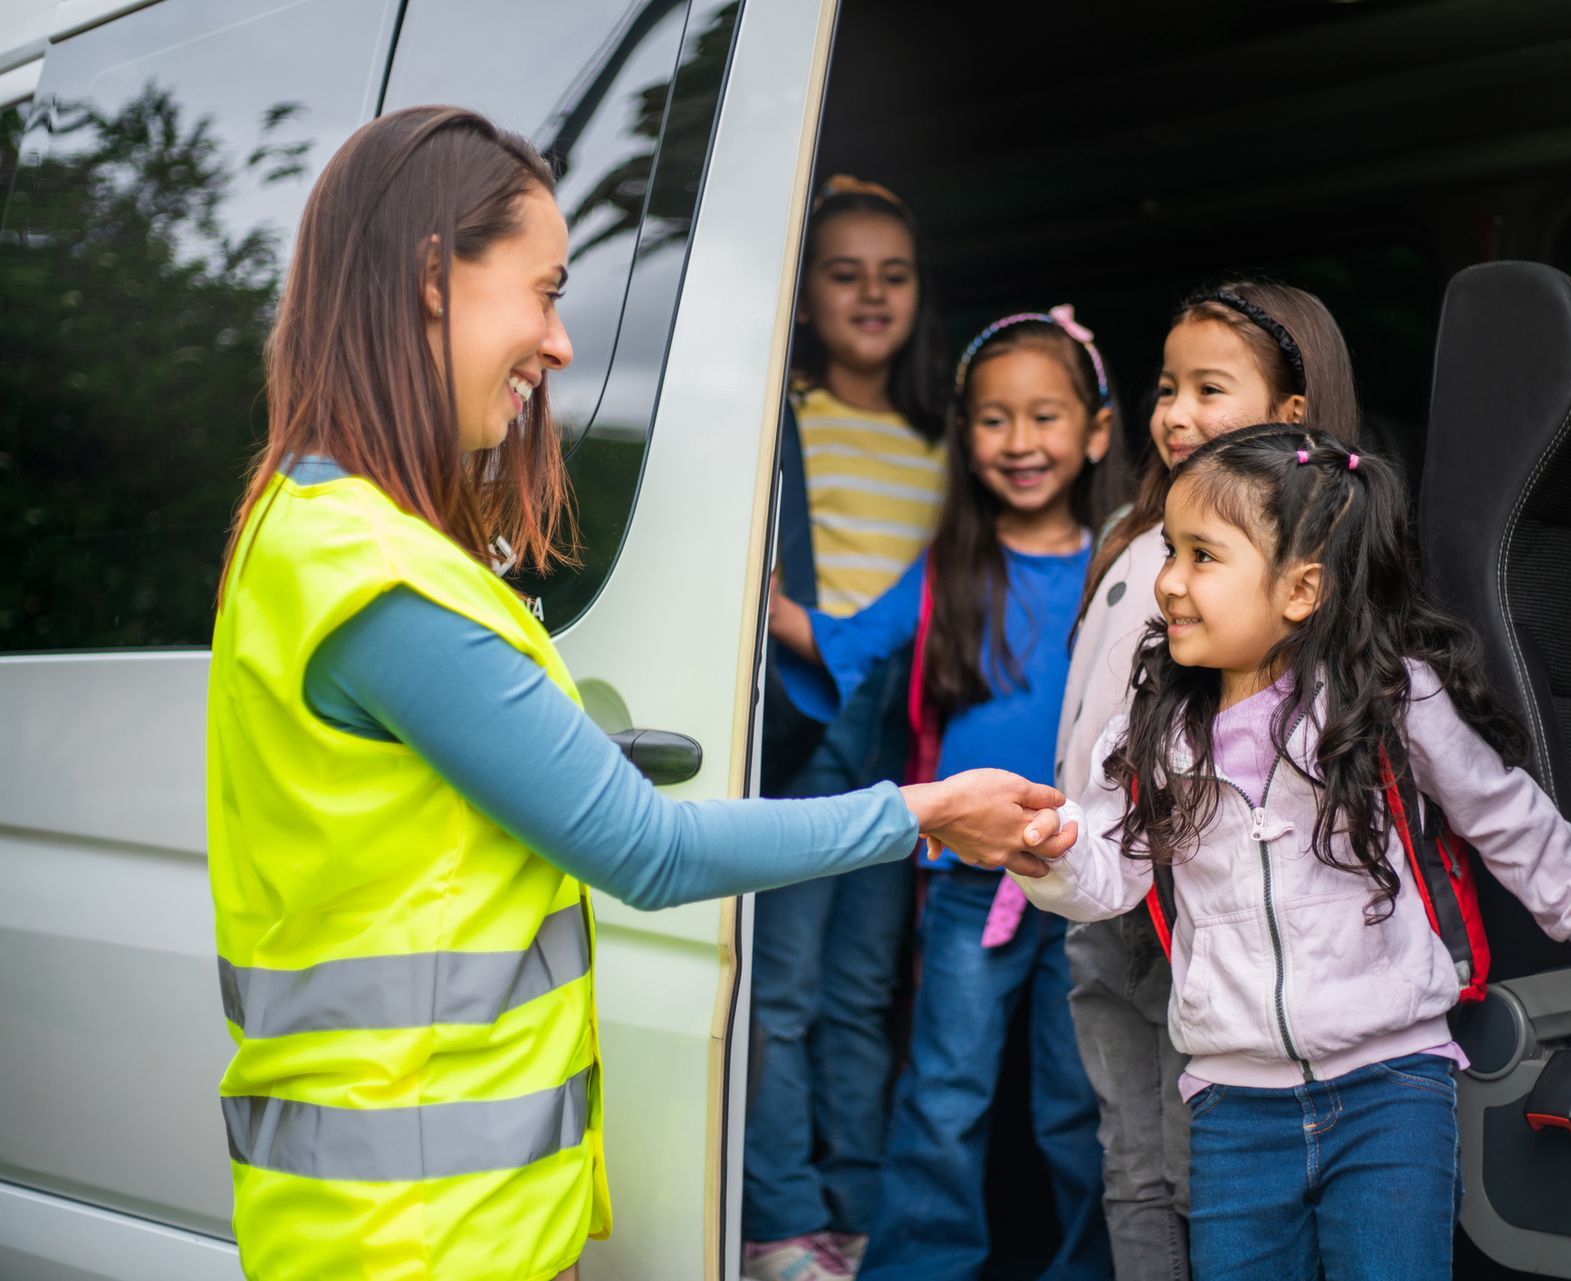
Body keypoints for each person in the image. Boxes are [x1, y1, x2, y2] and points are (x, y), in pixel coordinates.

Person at [203, 106, 1073, 1281]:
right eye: (546, 290)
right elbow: (645, 851)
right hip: (419, 1238)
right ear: (430, 281)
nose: (561, 343)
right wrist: (923, 811)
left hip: (434, 1223)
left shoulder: (325, 533)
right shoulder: (376, 574)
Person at [1016, 425, 1571, 1281]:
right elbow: (1107, 876)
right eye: (1170, 552)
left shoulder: (1386, 699)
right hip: (1233, 1107)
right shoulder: (1155, 728)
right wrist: (1041, 854)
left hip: (1392, 1087)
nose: (1170, 582)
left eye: (1202, 556)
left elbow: (1500, 812)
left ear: (1301, 589)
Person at [768, 307, 1121, 1280]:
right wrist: (759, 599)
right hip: (972, 880)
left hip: (1092, 886)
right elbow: (848, 644)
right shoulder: (949, 569)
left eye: (1045, 417)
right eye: (995, 419)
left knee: (1077, 1100)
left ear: (1095, 432)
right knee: (946, 1089)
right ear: (964, 436)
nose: (1020, 443)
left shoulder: (1127, 569)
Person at [1056, 283, 1360, 1281]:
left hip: (1180, 893)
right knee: (1130, 1156)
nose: (1176, 414)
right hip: (1096, 885)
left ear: (1292, 417)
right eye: (1166, 388)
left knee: (1190, 1160)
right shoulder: (1138, 540)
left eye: (1210, 390)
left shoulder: (1266, 568)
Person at [745, 174, 950, 1281]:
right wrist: (796, 625)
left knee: (865, 987)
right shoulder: (783, 419)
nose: (871, 294)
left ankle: (857, 1209)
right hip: (806, 713)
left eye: (894, 275)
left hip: (901, 730)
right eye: (844, 273)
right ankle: (780, 1215)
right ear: (806, 292)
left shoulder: (942, 437)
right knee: (782, 987)